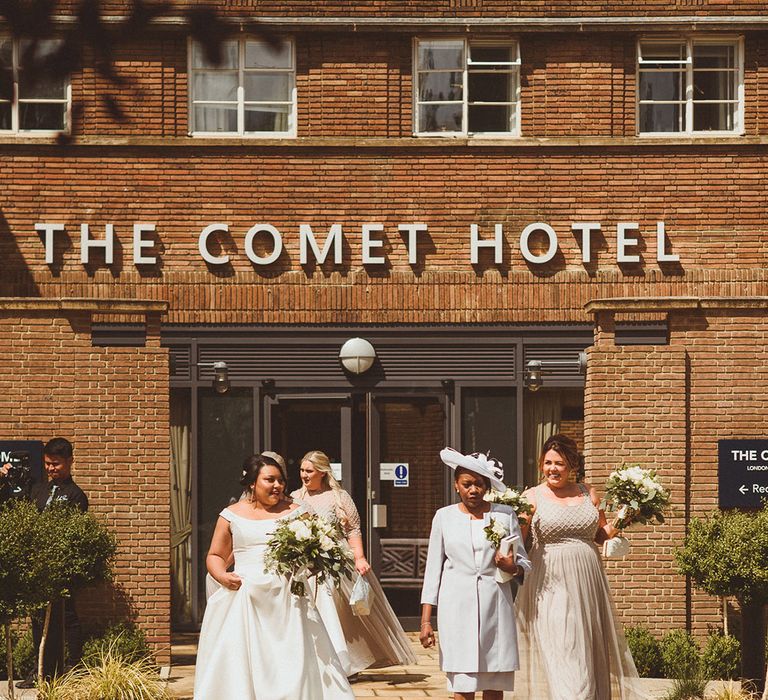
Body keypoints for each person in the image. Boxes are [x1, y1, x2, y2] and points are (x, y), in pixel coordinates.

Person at [194, 454, 353, 700]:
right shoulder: (231, 514)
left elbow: (318, 552)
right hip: (245, 600)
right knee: (244, 662)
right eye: (270, 480)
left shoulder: (298, 512)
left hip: (288, 599)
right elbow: (215, 554)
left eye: (280, 480)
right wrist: (223, 576)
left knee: (291, 662)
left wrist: (313, 563)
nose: (277, 486)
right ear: (252, 484)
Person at [511, 434, 643, 700]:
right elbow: (517, 542)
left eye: (559, 463)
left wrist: (626, 516)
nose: (553, 469)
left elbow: (601, 535)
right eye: (548, 463)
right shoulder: (532, 496)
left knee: (585, 650)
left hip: (587, 583)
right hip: (550, 583)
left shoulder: (589, 492)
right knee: (563, 646)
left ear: (572, 465)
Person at [290, 450, 416, 677]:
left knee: (340, 615)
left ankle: (347, 663)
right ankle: (315, 663)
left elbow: (353, 529)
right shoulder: (295, 497)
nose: (304, 475)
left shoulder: (339, 497)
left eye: (309, 471)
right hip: (306, 566)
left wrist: (359, 557)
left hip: (336, 562)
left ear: (321, 472)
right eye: (302, 470)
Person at [420, 448, 531, 700]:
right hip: (456, 608)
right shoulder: (443, 517)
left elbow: (524, 561)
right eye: (467, 484)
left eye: (479, 484)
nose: (473, 490)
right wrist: (427, 620)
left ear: (487, 486)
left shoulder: (504, 514)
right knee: (463, 684)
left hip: (496, 605)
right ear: (456, 486)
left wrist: (511, 566)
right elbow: (432, 572)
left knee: (495, 678)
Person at [1, 437, 88, 687]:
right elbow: (13, 510)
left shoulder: (76, 495)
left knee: (68, 616)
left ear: (70, 462)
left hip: (62, 567)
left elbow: (73, 532)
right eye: (48, 464)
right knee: (38, 619)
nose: (51, 469)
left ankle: (74, 669)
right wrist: (4, 483)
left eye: (56, 464)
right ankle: (40, 671)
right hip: (36, 568)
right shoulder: (37, 489)